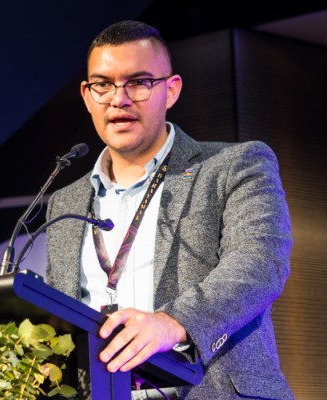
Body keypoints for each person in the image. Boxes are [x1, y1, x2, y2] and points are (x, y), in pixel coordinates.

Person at [46, 20, 294, 399]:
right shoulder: (64, 202)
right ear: (87, 95)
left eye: (139, 82)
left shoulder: (234, 166)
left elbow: (259, 265)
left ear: (171, 90)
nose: (119, 99)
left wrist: (172, 321)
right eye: (103, 84)